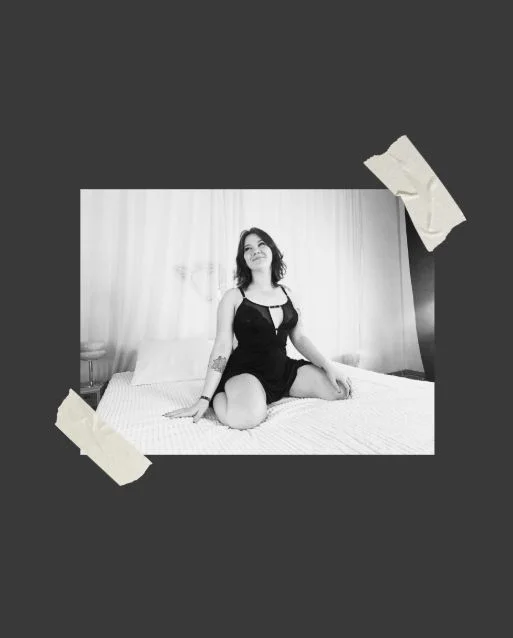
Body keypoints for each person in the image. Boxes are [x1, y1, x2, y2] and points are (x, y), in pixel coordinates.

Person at [164, 227, 353, 429]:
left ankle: (273, 392)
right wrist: (205, 397)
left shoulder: (289, 294)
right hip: (246, 372)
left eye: (261, 244)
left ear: (272, 250)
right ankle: (221, 395)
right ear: (243, 259)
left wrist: (328, 366)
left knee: (340, 390)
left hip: (282, 370)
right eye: (248, 248)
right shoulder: (233, 297)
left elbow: (299, 338)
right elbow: (222, 348)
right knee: (246, 419)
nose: (255, 250)